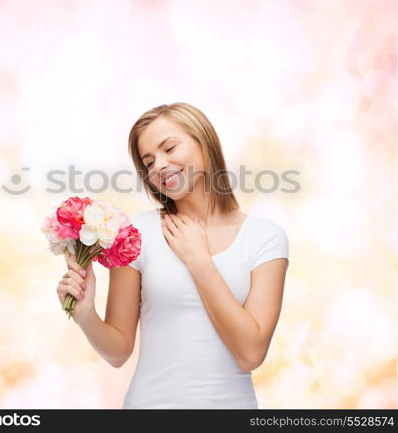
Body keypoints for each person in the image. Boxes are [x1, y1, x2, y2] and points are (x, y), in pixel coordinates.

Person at [56, 102, 289, 409]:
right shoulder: (136, 233)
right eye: (148, 161)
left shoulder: (264, 237)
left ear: (204, 141)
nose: (159, 166)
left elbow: (250, 354)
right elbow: (118, 351)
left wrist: (199, 261)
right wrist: (85, 314)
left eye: (170, 148)